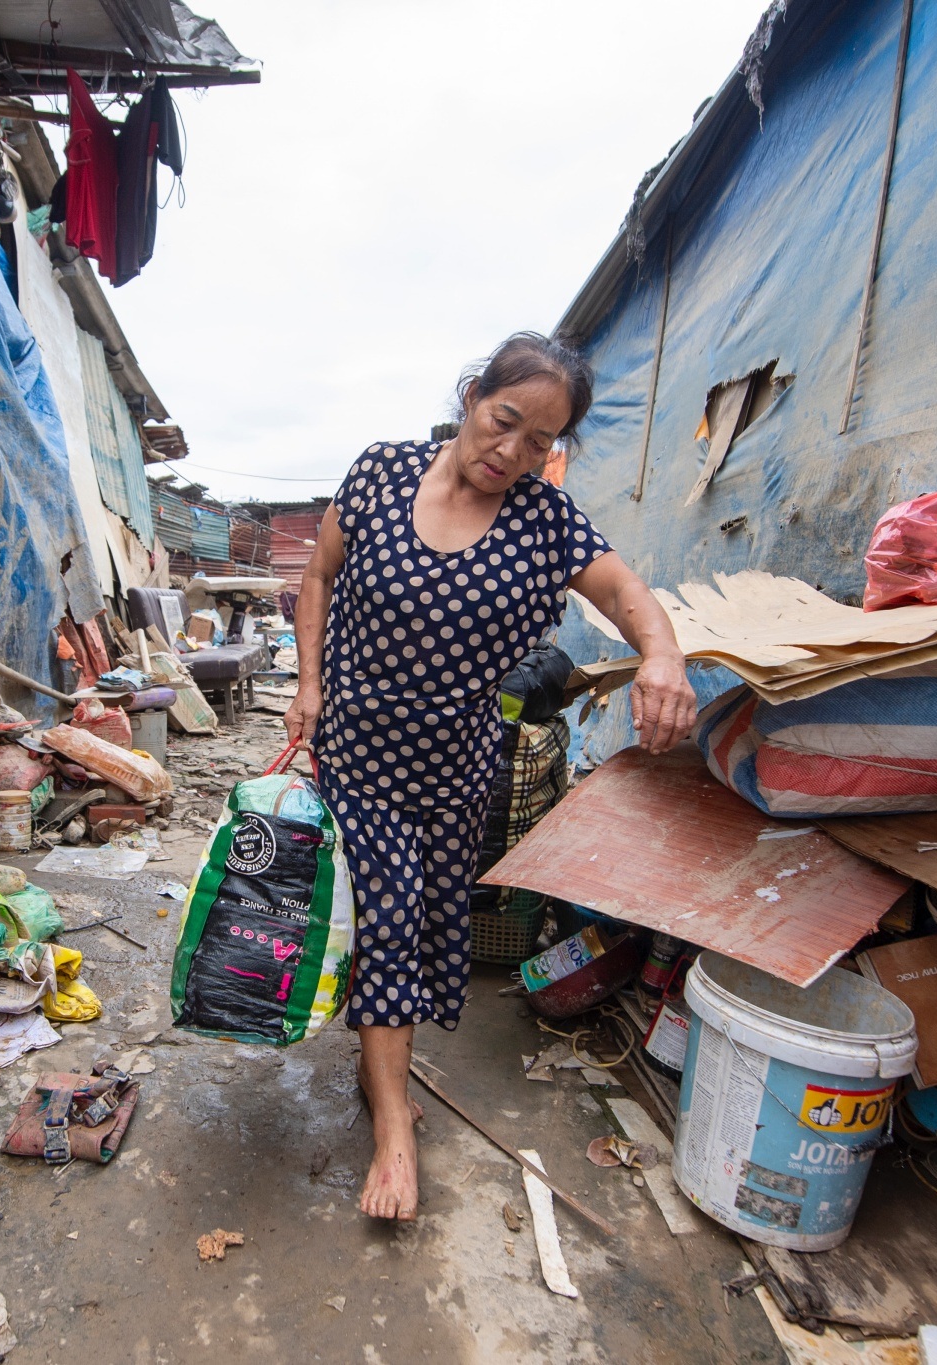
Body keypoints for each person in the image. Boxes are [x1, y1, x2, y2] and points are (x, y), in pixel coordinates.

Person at [285, 331, 697, 1221]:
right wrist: (310, 683)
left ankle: (376, 1060)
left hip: (459, 767)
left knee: (429, 927)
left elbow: (626, 594)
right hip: (358, 752)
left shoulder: (546, 523)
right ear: (473, 395)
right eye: (503, 421)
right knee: (391, 922)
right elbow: (317, 577)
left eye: (538, 442)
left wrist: (661, 655)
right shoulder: (381, 474)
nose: (510, 453)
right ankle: (396, 1127)